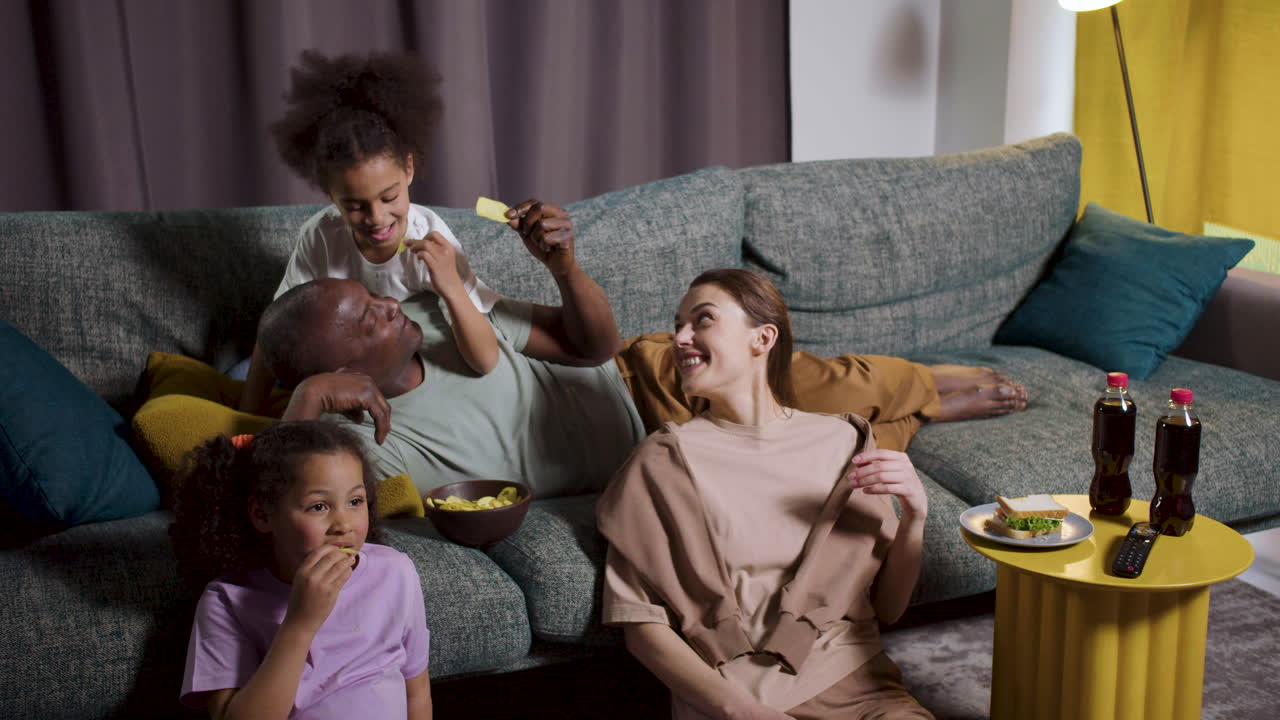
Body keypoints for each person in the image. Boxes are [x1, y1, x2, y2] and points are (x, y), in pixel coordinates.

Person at [254, 199, 1026, 497]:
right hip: (670, 446)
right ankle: (918, 406)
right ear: (343, 373)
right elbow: (263, 505)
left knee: (834, 379)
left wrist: (562, 267)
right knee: (844, 452)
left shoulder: (436, 307)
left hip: (645, 376)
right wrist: (300, 407)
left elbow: (595, 343)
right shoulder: (362, 445)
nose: (387, 304)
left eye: (374, 297)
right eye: (364, 320)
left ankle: (924, 381)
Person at [596, 268, 934, 719]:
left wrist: (915, 517)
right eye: (678, 324)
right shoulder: (662, 463)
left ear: (762, 338)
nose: (679, 338)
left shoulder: (844, 440)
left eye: (702, 320)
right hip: (734, 702)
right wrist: (742, 712)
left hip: (859, 688)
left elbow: (889, 608)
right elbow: (640, 628)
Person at [239, 49, 499, 416]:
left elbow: (487, 358)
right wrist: (246, 418)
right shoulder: (321, 236)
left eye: (389, 197)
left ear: (409, 168)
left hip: (409, 381)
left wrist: (451, 286)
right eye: (355, 206)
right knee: (238, 373)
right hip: (338, 372)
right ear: (330, 196)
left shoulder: (431, 238)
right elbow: (275, 334)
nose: (377, 219)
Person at [169, 421, 432, 720]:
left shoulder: (396, 572)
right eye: (318, 506)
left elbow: (417, 692)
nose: (344, 525)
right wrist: (300, 623)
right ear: (262, 514)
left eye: (355, 501)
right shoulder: (227, 601)